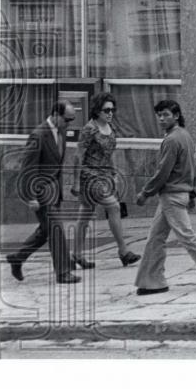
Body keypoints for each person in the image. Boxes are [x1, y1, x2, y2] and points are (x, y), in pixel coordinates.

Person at [133, 100, 196, 295]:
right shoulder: (185, 136)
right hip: (178, 193)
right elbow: (191, 168)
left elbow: (163, 172)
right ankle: (151, 282)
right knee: (155, 237)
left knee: (186, 236)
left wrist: (145, 193)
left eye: (165, 114)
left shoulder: (172, 140)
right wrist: (192, 193)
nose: (161, 119)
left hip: (171, 195)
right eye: (159, 115)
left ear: (176, 115)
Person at [5, 101, 80, 283]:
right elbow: (27, 168)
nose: (69, 124)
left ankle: (17, 257)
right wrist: (30, 197)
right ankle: (63, 272)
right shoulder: (38, 135)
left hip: (55, 191)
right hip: (41, 192)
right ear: (55, 114)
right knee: (55, 228)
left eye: (72, 120)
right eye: (67, 119)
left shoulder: (60, 131)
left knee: (45, 231)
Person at [69, 92, 141, 268]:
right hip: (89, 176)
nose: (110, 113)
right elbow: (78, 156)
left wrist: (113, 175)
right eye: (106, 110)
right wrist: (76, 181)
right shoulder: (89, 129)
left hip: (105, 175)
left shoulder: (110, 128)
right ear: (97, 110)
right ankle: (123, 251)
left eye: (112, 110)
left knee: (84, 214)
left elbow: (109, 154)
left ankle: (76, 255)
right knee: (113, 206)